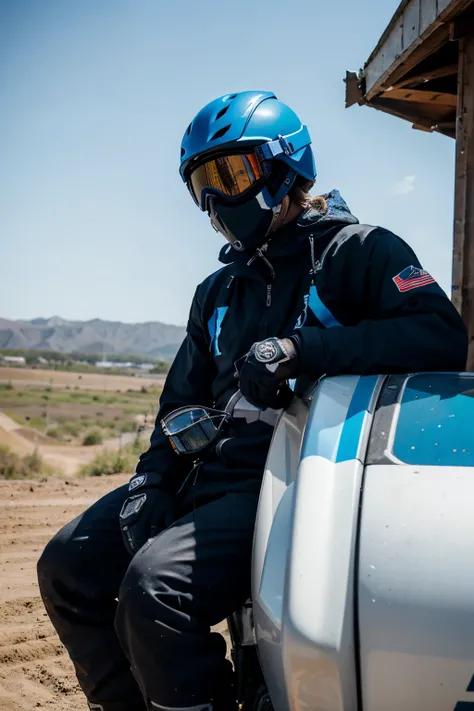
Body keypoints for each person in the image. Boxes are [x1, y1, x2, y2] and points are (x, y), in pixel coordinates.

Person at [37, 91, 467, 711]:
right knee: (67, 566)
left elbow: (439, 335)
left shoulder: (359, 252)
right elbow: (178, 403)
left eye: (230, 175)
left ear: (284, 167)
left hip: (293, 483)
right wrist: (151, 482)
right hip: (205, 476)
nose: (215, 202)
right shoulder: (216, 292)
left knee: (155, 592)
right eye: (201, 184)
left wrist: (307, 350)